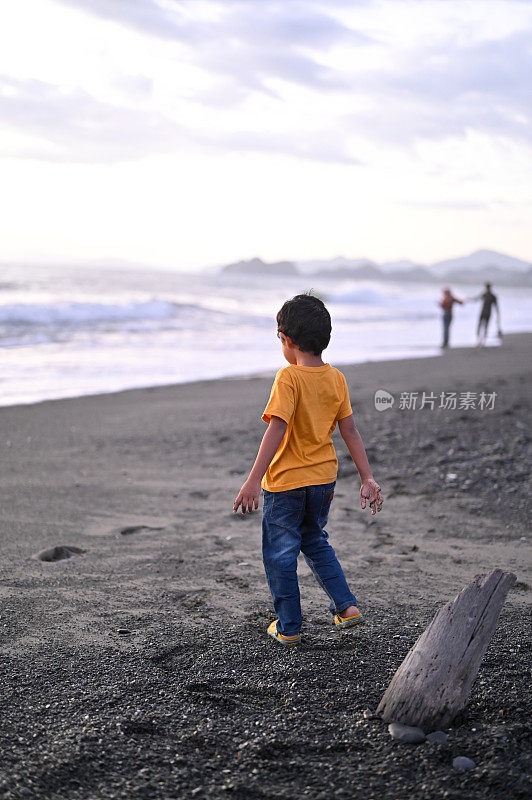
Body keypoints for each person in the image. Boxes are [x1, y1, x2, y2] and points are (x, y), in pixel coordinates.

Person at [233, 293, 383, 645]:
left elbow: (277, 427)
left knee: (280, 552)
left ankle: (289, 627)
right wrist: (367, 477)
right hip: (322, 482)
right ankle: (347, 608)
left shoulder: (289, 377)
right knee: (315, 540)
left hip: (285, 484)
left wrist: (253, 479)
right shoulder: (336, 379)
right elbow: (350, 430)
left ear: (288, 341)